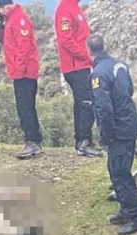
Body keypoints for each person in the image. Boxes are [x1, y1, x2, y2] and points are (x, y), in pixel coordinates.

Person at [89, 35, 137, 235]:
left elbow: (103, 107)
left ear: (90, 52)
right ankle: (125, 210)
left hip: (118, 129)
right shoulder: (120, 65)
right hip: (130, 122)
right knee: (118, 170)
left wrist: (107, 132)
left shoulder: (97, 73)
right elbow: (129, 90)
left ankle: (135, 217)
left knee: (120, 174)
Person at [0, 0, 42, 160]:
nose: (0, 11)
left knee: (25, 107)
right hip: (20, 70)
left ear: (6, 5)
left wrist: (18, 70)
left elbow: (24, 47)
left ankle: (32, 141)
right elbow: (4, 41)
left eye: (0, 8)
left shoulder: (20, 19)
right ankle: (34, 140)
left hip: (25, 72)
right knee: (26, 107)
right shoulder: (9, 19)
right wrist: (0, 27)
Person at [55, 0, 102, 158]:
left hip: (81, 65)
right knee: (87, 103)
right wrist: (86, 56)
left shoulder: (75, 8)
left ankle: (81, 141)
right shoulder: (65, 10)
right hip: (75, 65)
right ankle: (85, 142)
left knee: (80, 104)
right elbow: (66, 40)